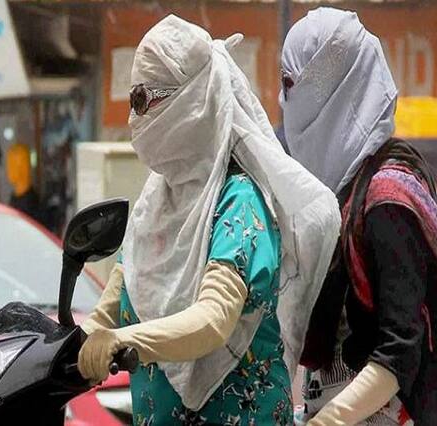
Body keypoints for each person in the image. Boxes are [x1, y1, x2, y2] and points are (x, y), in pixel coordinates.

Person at [77, 15, 340, 425]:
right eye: (132, 100)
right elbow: (121, 292)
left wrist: (124, 339)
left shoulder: (240, 201)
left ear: (193, 102)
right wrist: (77, 342)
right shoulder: (155, 202)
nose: (134, 118)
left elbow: (213, 320)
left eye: (143, 100)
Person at [280, 8, 437, 426]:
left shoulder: (386, 200)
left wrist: (329, 420)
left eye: (291, 84)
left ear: (329, 88)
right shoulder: (345, 192)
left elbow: (400, 348)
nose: (285, 102)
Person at [5, 143, 42, 223]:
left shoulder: (29, 204)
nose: (8, 170)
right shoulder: (16, 198)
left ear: (23, 167)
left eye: (12, 164)